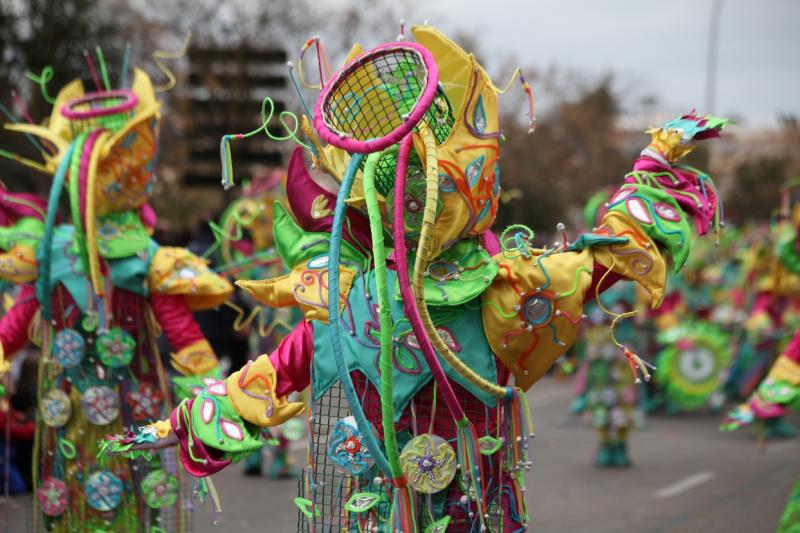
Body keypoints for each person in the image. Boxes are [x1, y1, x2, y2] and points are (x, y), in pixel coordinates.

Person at [102, 26, 727, 531]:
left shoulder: (503, 288)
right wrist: (178, 423)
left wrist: (652, 164)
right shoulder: (358, 299)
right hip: (370, 504)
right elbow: (273, 374)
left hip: (472, 506)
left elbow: (605, 257)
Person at [0, 60, 232, 531]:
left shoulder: (145, 258)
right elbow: (18, 321)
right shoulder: (51, 253)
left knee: (132, 498)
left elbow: (183, 334)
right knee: (73, 501)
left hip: (134, 412)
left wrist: (218, 402)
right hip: (67, 416)